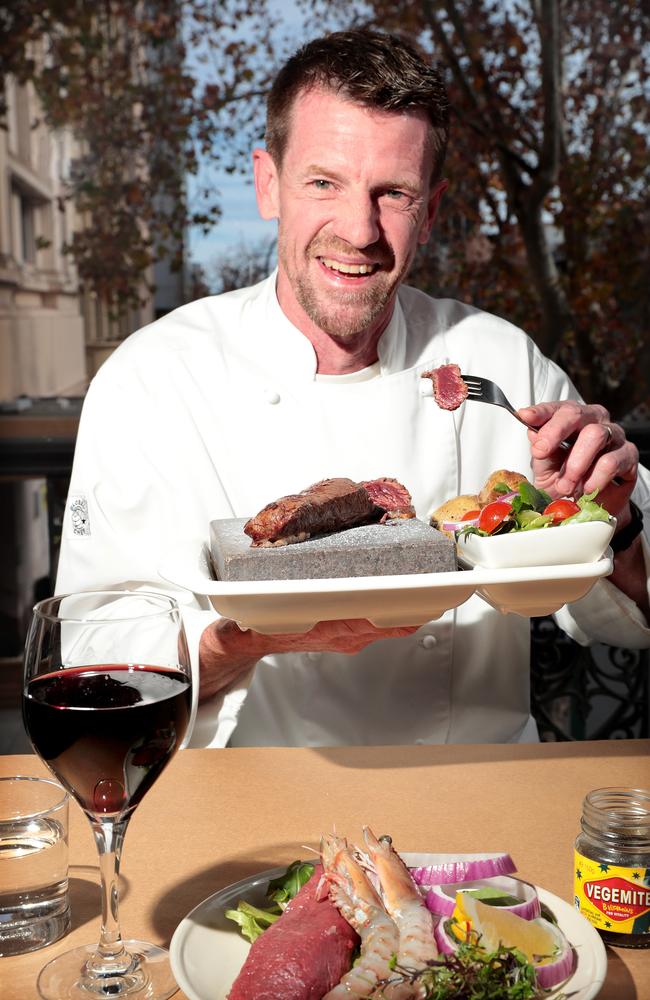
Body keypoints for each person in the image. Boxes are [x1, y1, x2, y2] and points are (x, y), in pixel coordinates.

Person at [56, 29, 650, 748]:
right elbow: (93, 661)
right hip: (246, 805)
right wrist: (233, 644)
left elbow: (632, 611)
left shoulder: (500, 367)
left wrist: (610, 518)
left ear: (430, 211)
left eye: (392, 193)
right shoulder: (149, 380)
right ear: (267, 184)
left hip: (476, 792)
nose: (359, 230)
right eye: (323, 182)